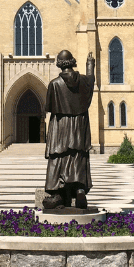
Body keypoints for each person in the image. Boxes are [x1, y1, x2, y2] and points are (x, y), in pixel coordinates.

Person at [42, 50, 95, 210]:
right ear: (72, 62)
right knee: (78, 155)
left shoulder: (54, 84)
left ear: (59, 64)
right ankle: (79, 190)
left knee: (59, 156)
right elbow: (91, 81)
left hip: (61, 126)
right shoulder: (84, 81)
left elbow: (50, 107)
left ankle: (59, 193)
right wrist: (90, 66)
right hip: (79, 124)